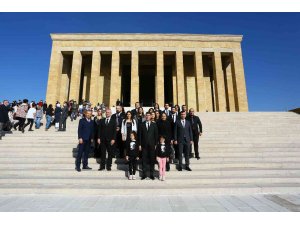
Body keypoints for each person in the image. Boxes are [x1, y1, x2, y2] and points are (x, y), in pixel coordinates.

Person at [138, 112, 158, 180]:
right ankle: (144, 174)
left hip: (152, 145)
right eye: (146, 115)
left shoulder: (154, 125)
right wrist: (140, 144)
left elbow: (156, 135)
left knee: (152, 160)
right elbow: (139, 136)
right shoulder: (141, 125)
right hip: (144, 145)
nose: (147, 117)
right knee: (144, 160)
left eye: (149, 115)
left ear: (151, 117)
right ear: (145, 116)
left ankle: (151, 174)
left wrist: (156, 144)